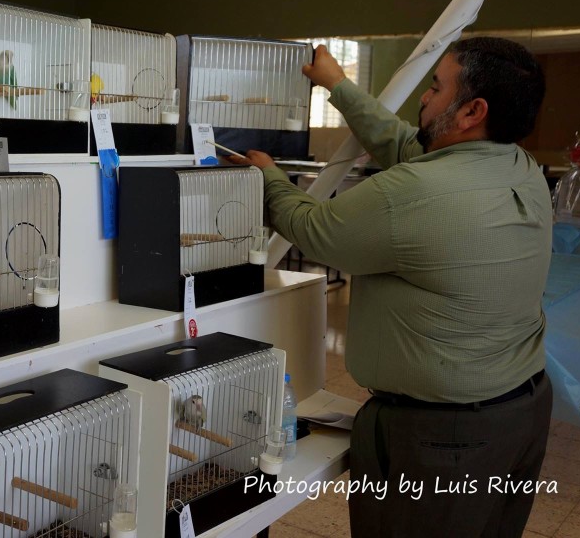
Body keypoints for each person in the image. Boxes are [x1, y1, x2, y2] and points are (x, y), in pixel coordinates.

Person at [233, 38, 552, 537]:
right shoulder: (520, 167)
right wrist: (337, 86)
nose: (424, 98)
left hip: (442, 438)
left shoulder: (415, 194)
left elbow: (316, 230)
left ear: (472, 110)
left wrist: (268, 178)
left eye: (435, 86)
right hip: (521, 410)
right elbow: (405, 142)